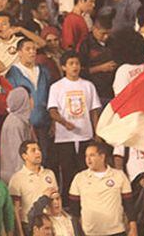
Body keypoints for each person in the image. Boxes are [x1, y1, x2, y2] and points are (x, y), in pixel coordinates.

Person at [47, 53, 102, 199]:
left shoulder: (88, 85)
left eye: (77, 63)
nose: (75, 67)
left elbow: (93, 111)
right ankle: (68, 202)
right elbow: (52, 111)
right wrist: (64, 123)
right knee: (67, 171)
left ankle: (87, 199)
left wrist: (97, 132)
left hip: (86, 136)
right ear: (63, 67)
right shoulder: (56, 87)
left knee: (86, 169)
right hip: (65, 137)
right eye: (71, 63)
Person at [69, 142, 136, 236]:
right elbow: (74, 209)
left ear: (102, 156)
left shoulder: (119, 176)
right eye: (86, 156)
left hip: (116, 231)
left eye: (92, 155)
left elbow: (129, 204)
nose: (88, 159)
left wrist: (133, 227)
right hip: (89, 233)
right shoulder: (79, 178)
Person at [9, 141, 58, 236]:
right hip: (30, 226)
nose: (38, 152)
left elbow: (56, 199)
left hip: (50, 224)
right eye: (33, 150)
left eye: (39, 150)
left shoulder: (49, 174)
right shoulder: (17, 178)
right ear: (24, 156)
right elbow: (15, 210)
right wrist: (20, 233)